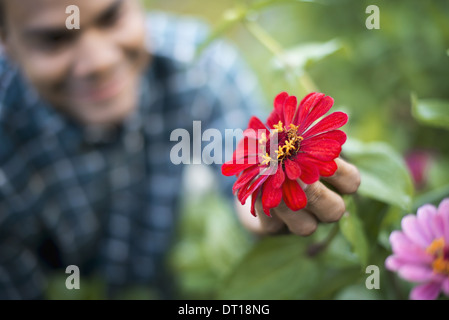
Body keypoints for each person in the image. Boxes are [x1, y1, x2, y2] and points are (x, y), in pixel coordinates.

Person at [0, 0, 360, 299]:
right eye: (53, 39)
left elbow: (245, 152)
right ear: (6, 41)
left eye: (111, 16)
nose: (100, 61)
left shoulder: (198, 62)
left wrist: (265, 205)